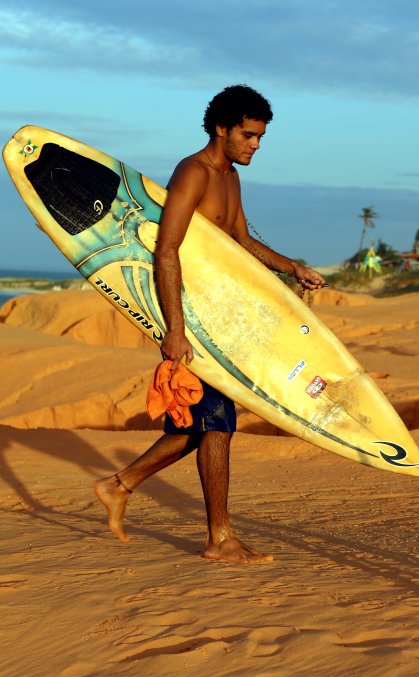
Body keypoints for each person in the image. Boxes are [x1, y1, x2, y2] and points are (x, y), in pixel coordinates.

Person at [94, 85, 326, 563]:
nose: (255, 145)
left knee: (202, 424)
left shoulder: (231, 179)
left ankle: (120, 485)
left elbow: (240, 241)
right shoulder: (192, 173)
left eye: (260, 137)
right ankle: (219, 538)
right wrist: (174, 330)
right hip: (190, 318)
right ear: (221, 128)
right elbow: (166, 249)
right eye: (248, 135)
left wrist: (292, 267)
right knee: (216, 425)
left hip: (217, 317)